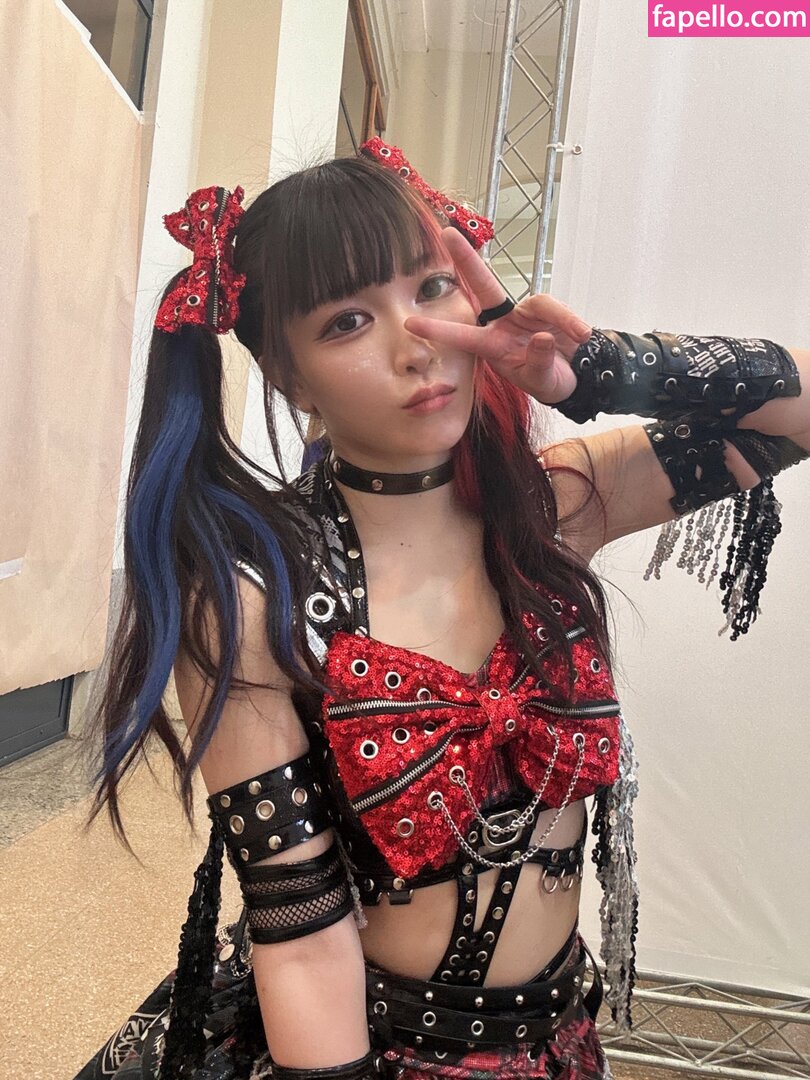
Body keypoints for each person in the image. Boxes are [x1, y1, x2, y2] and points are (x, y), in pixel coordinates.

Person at [76, 137, 809, 1080]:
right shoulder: (256, 596)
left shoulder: (558, 504)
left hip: (563, 1043)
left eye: (431, 289)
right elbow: (301, 936)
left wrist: (598, 372)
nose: (416, 342)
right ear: (288, 375)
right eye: (348, 320)